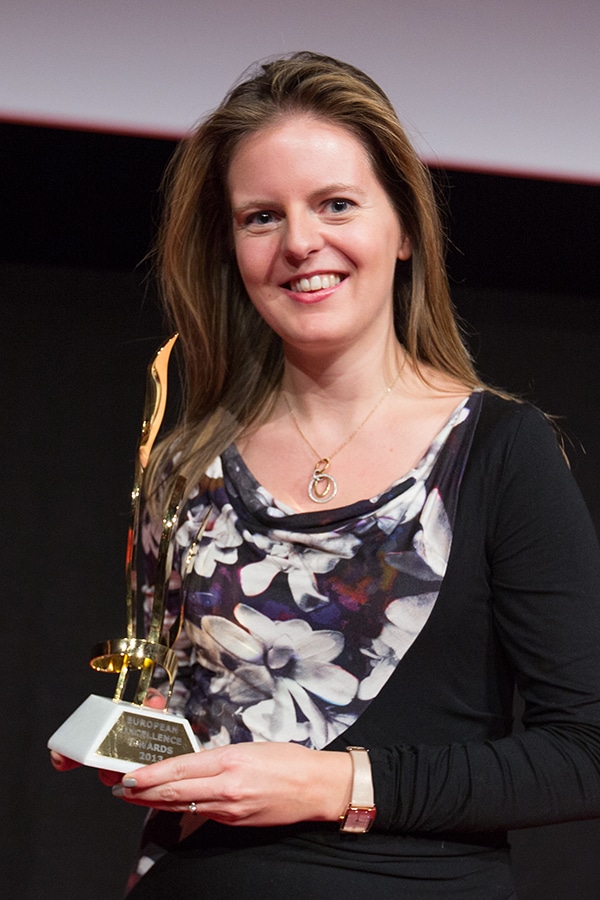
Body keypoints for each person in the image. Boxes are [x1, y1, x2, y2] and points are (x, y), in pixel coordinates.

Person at [51, 52, 600, 898]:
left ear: (405, 229)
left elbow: (586, 751)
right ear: (230, 247)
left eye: (336, 204)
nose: (301, 242)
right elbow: (181, 715)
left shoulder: (500, 451)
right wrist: (140, 745)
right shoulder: (187, 467)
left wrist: (335, 783)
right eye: (261, 216)